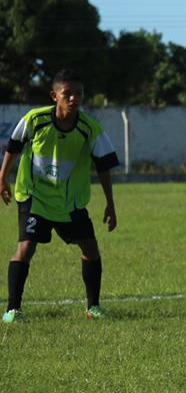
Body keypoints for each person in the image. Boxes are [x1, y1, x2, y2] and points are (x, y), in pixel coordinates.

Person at [0, 69, 120, 323]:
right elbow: (13, 145)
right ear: (55, 95)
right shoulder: (35, 119)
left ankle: (93, 307)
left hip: (70, 201)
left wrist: (110, 203)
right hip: (35, 197)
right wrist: (2, 178)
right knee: (25, 247)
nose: (74, 98)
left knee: (90, 249)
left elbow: (104, 165)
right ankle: (13, 310)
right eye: (68, 93)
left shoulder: (90, 128)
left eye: (79, 94)